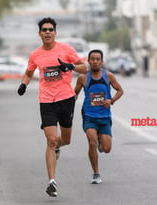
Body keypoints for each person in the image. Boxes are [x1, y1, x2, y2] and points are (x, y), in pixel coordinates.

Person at [17, 17, 87, 197]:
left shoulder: (66, 49)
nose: (47, 32)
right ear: (39, 33)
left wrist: (69, 66)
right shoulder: (36, 55)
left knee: (66, 140)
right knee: (50, 140)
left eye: (50, 29)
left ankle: (57, 147)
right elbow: (28, 72)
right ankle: (52, 182)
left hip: (66, 99)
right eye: (44, 30)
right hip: (46, 101)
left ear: (55, 33)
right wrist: (23, 84)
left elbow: (84, 67)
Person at [74, 49, 123, 184]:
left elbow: (120, 90)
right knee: (92, 142)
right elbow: (75, 93)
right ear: (88, 61)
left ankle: (101, 141)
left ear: (101, 61)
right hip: (89, 115)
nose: (95, 61)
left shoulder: (109, 76)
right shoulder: (83, 77)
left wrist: (111, 100)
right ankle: (96, 173)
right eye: (92, 59)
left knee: (107, 149)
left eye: (98, 59)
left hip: (104, 116)